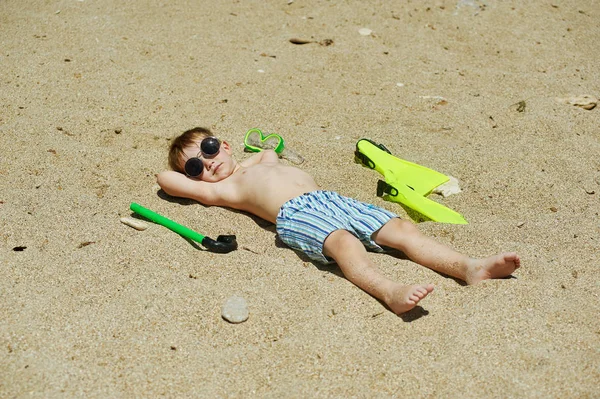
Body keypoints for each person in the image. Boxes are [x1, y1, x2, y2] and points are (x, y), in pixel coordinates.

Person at [157, 127, 521, 315]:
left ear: (225, 144)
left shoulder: (260, 161)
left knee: (402, 230)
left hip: (331, 199)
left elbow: (267, 151)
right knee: (344, 244)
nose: (206, 163)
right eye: (194, 166)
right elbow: (165, 179)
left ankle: (468, 268)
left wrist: (244, 160)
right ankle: (388, 291)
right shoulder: (222, 189)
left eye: (208, 149)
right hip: (297, 214)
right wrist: (197, 174)